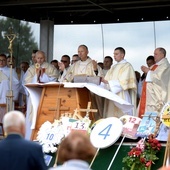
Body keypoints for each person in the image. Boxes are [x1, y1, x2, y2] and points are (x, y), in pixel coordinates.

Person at [102, 47, 137, 118]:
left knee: (123, 117)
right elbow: (106, 80)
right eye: (114, 54)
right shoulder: (113, 67)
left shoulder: (127, 66)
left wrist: (109, 83)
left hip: (121, 95)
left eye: (116, 54)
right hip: (111, 95)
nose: (114, 56)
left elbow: (124, 82)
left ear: (122, 55)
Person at [138, 47, 170, 118]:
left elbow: (160, 78)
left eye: (156, 54)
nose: (154, 56)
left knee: (155, 115)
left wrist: (148, 71)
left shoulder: (165, 65)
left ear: (162, 54)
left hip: (156, 97)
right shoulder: (155, 66)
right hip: (149, 96)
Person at [0, 54, 20, 122]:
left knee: (6, 119)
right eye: (0, 60)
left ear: (6, 61)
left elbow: (16, 84)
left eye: (3, 60)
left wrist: (6, 82)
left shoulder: (11, 71)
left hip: (7, 98)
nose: (1, 62)